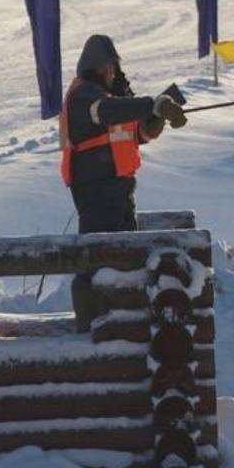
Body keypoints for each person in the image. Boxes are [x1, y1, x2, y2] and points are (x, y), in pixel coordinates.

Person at [60, 34, 187, 328]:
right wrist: (152, 105)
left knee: (125, 256)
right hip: (95, 188)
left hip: (119, 187)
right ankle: (89, 324)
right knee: (96, 255)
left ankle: (121, 321)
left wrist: (155, 120)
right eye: (111, 69)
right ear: (100, 67)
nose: (113, 74)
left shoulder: (112, 99)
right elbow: (105, 112)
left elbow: (136, 135)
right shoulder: (84, 96)